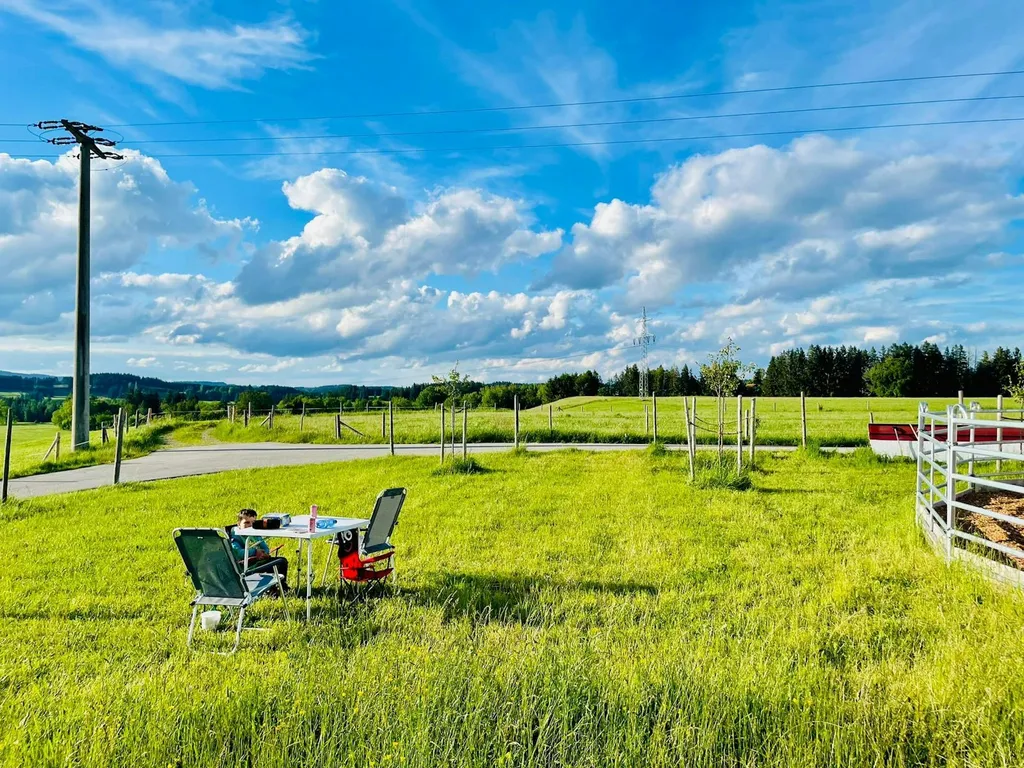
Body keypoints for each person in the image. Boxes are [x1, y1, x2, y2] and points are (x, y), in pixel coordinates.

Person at [228, 509, 289, 593]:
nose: (250, 526)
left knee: (279, 561)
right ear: (239, 524)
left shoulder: (255, 533)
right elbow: (237, 553)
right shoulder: (236, 537)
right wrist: (255, 552)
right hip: (247, 566)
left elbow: (265, 547)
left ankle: (280, 586)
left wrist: (265, 553)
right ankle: (275, 589)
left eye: (253, 523)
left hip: (260, 561)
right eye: (247, 523)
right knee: (281, 561)